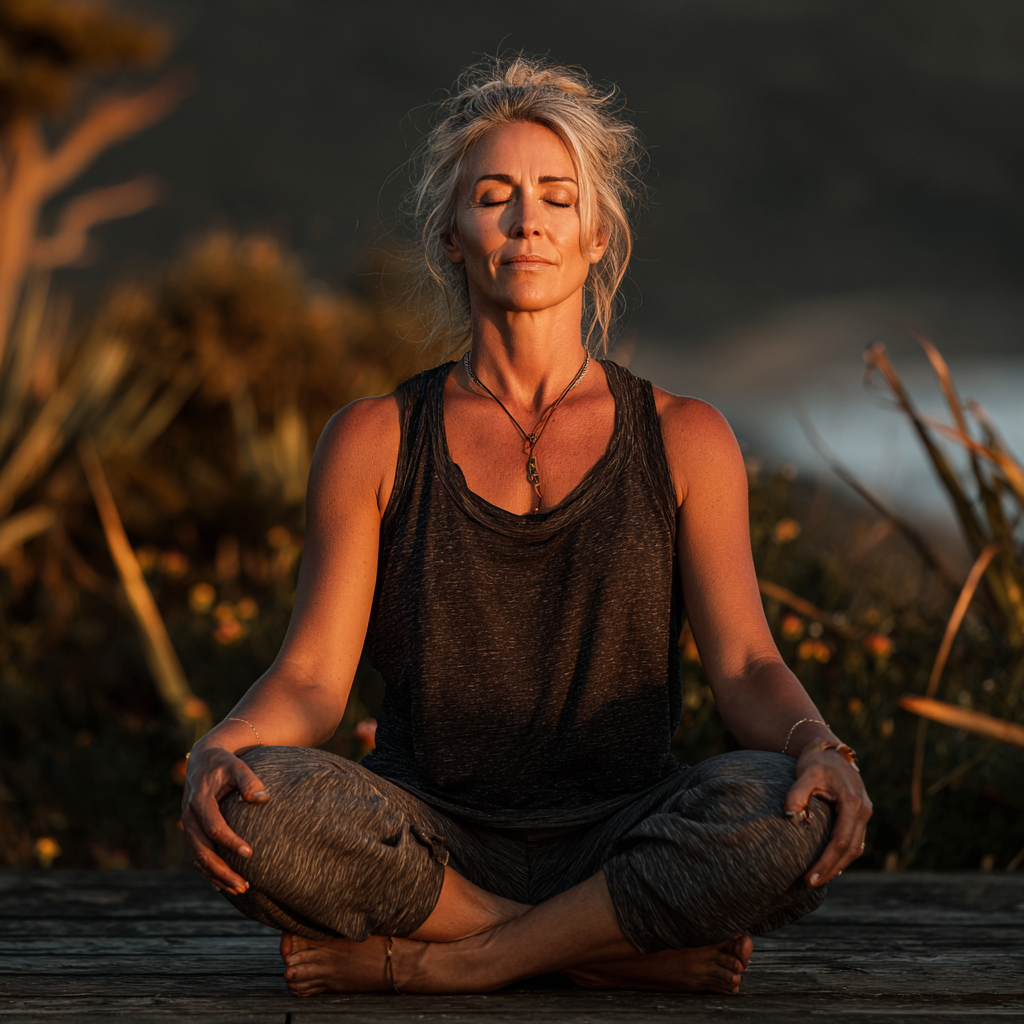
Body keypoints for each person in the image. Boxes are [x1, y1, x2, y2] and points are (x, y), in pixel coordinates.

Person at [181, 57, 871, 997]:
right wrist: (220, 745)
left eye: (557, 196)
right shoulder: (375, 438)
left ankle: (450, 966)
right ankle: (597, 951)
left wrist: (822, 750)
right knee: (260, 805)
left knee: (782, 813)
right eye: (494, 196)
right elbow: (310, 678)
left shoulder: (686, 437)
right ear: (452, 237)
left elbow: (748, 666)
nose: (527, 220)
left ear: (596, 235)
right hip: (429, 841)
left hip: (628, 832)